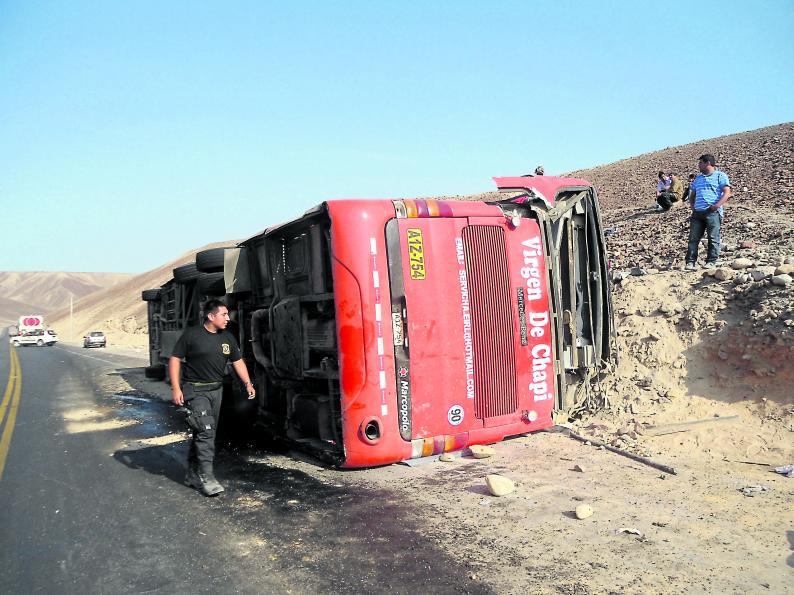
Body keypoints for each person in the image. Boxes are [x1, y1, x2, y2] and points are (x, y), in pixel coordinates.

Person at [169, 299, 255, 496]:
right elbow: (175, 359)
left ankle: (192, 473)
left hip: (217, 391)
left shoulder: (227, 338)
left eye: (227, 314)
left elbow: (237, 361)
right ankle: (207, 478)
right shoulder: (192, 335)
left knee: (204, 432)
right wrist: (176, 388)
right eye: (224, 315)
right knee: (206, 431)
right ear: (211, 316)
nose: (228, 318)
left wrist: (248, 383)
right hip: (196, 390)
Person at [685, 154, 732, 270]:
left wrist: (716, 206)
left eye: (700, 163)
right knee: (693, 238)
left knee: (713, 237)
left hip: (712, 212)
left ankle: (711, 261)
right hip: (698, 213)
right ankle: (690, 262)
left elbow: (727, 192)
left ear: (708, 163)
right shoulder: (698, 178)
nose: (698, 165)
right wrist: (693, 207)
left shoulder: (720, 176)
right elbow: (692, 195)